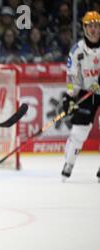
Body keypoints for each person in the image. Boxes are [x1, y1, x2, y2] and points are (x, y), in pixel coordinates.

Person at [61, 11, 100, 182]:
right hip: (86, 92)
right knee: (78, 133)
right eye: (90, 26)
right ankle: (69, 163)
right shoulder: (77, 51)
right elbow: (72, 77)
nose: (94, 29)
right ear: (84, 28)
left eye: (97, 26)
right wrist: (70, 97)